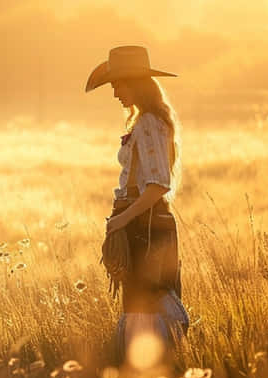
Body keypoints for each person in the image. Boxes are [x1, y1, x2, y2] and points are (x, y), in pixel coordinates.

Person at [86, 45, 189, 358]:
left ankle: (146, 367)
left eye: (118, 83)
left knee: (145, 300)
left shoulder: (147, 123)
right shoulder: (146, 121)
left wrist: (122, 219)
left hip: (145, 225)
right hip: (143, 222)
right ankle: (150, 366)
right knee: (140, 300)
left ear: (135, 82)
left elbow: (158, 186)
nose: (115, 92)